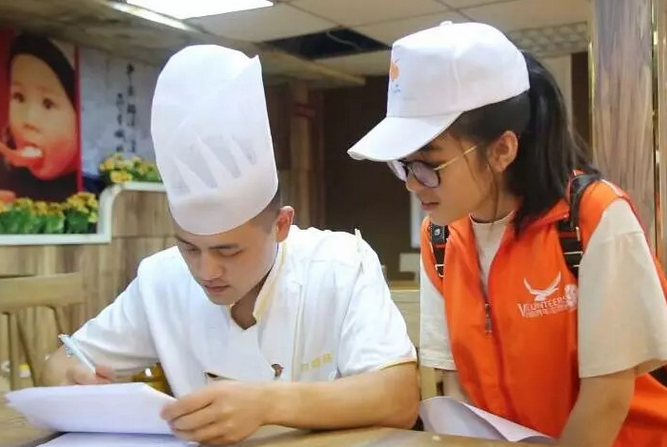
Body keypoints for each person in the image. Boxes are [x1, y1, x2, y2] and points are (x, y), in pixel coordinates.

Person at [42, 44, 419, 445]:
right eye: (189, 248)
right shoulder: (161, 279)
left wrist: (266, 404)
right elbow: (63, 361)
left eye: (228, 251)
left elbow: (398, 398)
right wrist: (71, 381)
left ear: (281, 225)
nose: (205, 271)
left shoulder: (340, 265)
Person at [347, 22, 667, 447]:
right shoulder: (439, 237)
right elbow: (455, 386)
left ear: (502, 150)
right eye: (402, 165)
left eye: (428, 164)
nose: (411, 183)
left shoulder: (594, 218)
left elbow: (607, 399)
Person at [0, 33, 79, 202]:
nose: (29, 120)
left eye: (48, 103)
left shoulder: (93, 189)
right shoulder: (4, 171)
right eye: (19, 97)